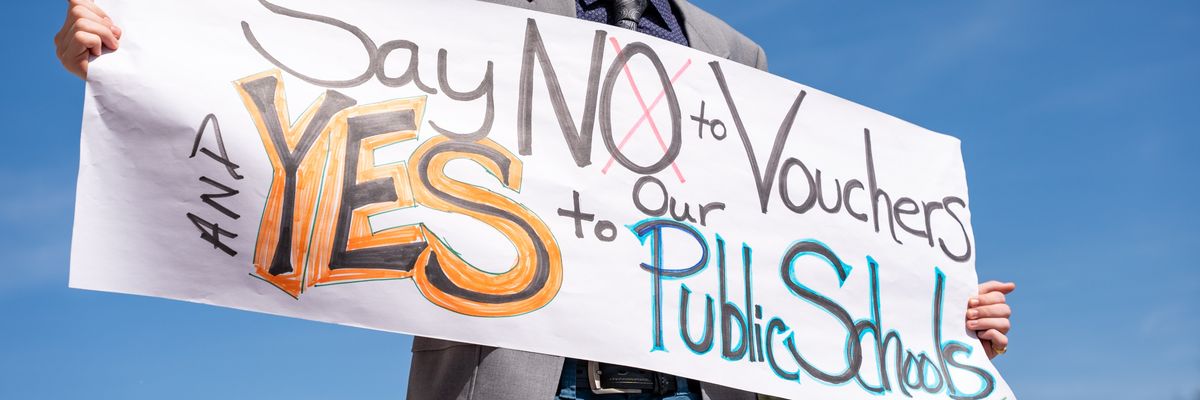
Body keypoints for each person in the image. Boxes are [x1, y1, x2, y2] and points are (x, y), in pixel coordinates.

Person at [55, 0, 1016, 399]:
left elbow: (800, 256)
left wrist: (937, 321)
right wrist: (127, 46)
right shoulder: (469, 24)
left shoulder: (740, 62)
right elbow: (288, 74)